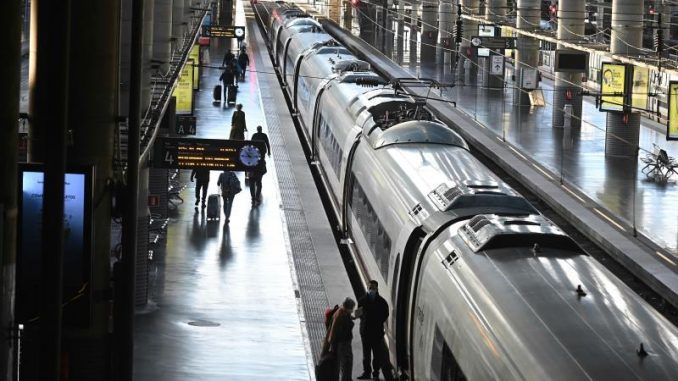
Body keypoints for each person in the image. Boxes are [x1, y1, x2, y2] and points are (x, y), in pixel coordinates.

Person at [357, 280, 391, 381]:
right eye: (370, 288)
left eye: (373, 288)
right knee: (366, 355)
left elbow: (386, 314)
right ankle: (366, 372)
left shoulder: (382, 302)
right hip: (366, 332)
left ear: (377, 289)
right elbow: (359, 314)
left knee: (376, 355)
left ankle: (375, 373)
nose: (371, 290)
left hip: (377, 333)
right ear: (367, 288)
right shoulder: (362, 301)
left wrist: (376, 320)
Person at [326, 297, 355, 381]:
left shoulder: (343, 312)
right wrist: (332, 345)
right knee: (346, 363)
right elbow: (334, 330)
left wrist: (352, 317)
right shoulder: (340, 315)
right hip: (342, 343)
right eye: (352, 309)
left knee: (345, 363)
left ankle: (347, 378)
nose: (352, 310)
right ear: (348, 308)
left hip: (343, 342)